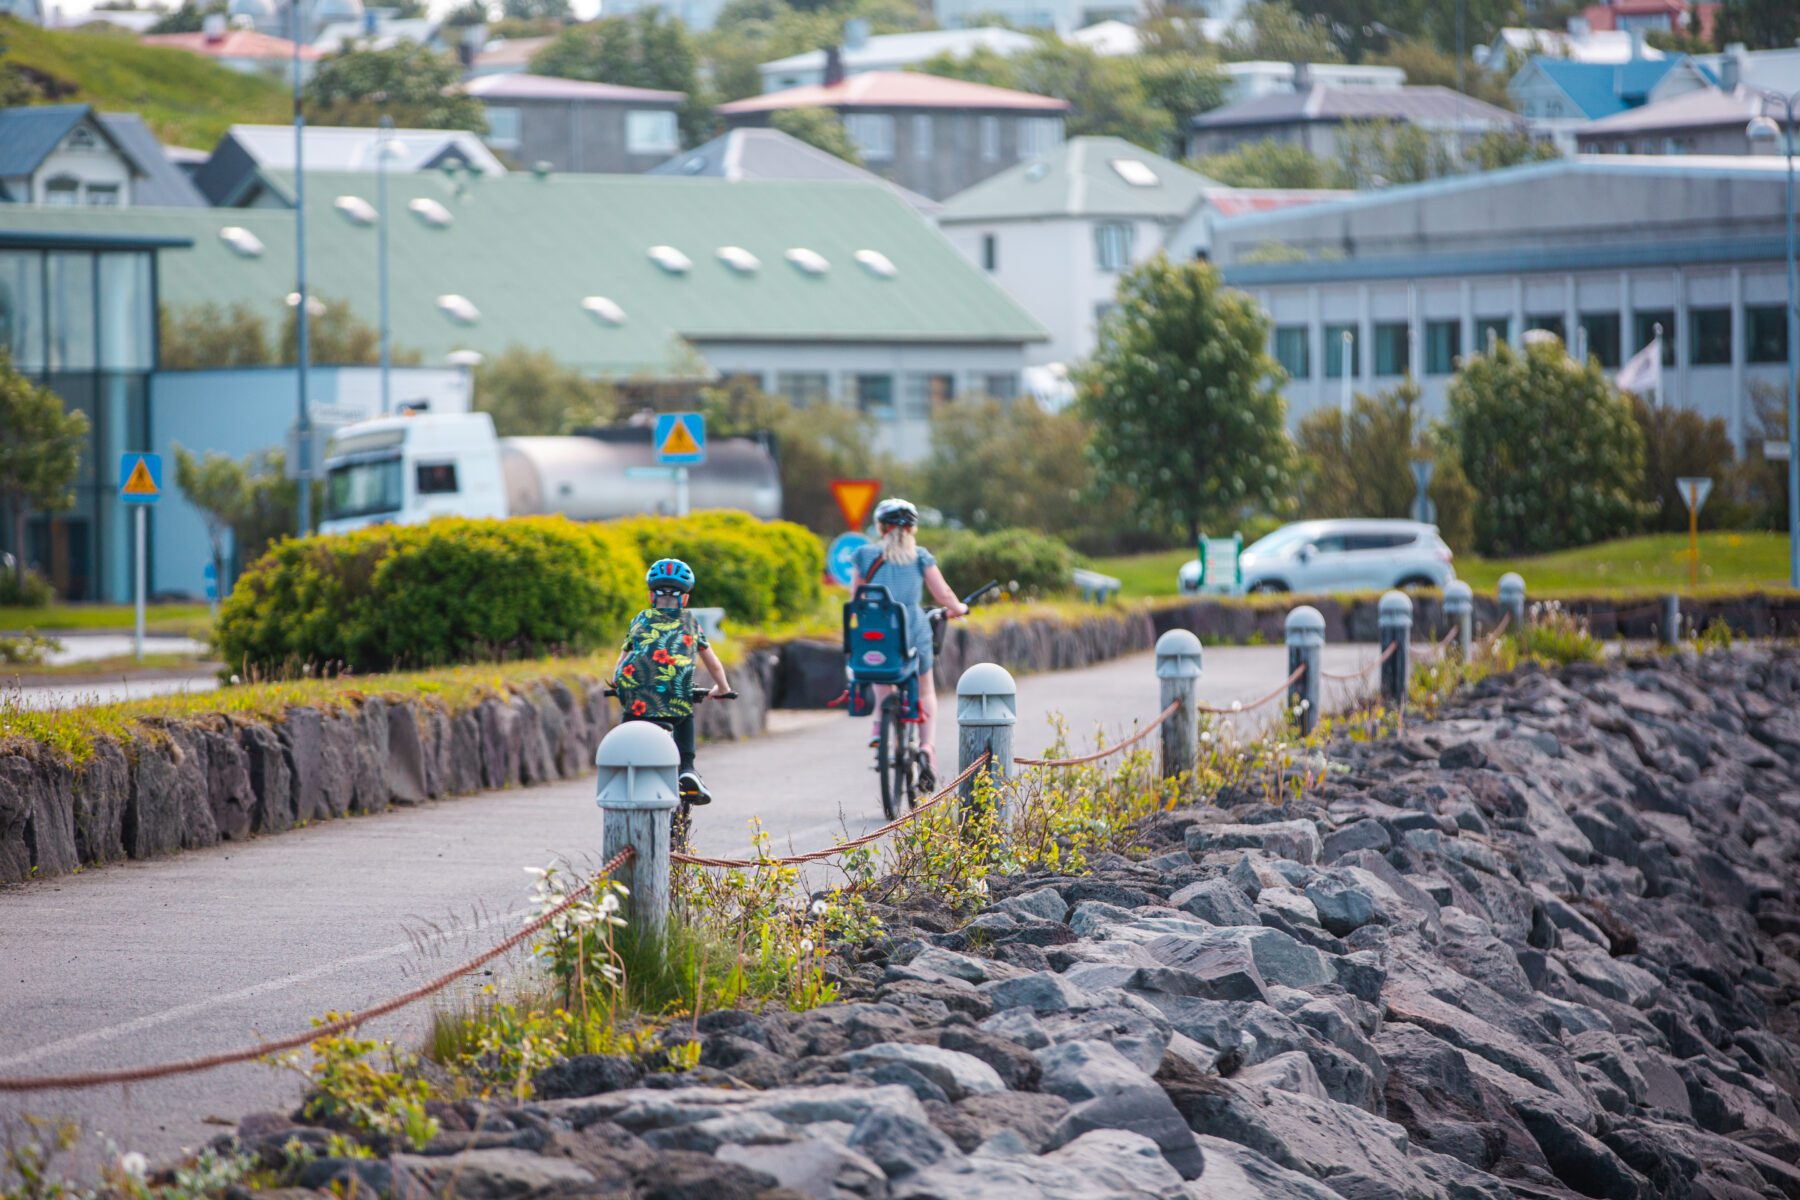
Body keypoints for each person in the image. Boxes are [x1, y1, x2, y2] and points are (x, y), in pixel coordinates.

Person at [848, 498, 968, 790]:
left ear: (881, 528)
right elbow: (943, 593)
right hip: (913, 630)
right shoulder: (921, 557)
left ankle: (880, 727)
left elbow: (855, 598)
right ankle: (926, 748)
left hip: (877, 631)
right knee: (925, 689)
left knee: (882, 675)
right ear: (912, 529)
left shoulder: (864, 554)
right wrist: (958, 608)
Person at [611, 558, 732, 804]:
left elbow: (622, 662)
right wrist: (722, 688)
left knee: (629, 724)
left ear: (651, 596)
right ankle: (687, 769)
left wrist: (616, 683)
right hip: (674, 697)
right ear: (684, 599)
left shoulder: (640, 619)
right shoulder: (690, 622)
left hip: (636, 699)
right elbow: (714, 664)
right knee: (684, 714)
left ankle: (622, 765)